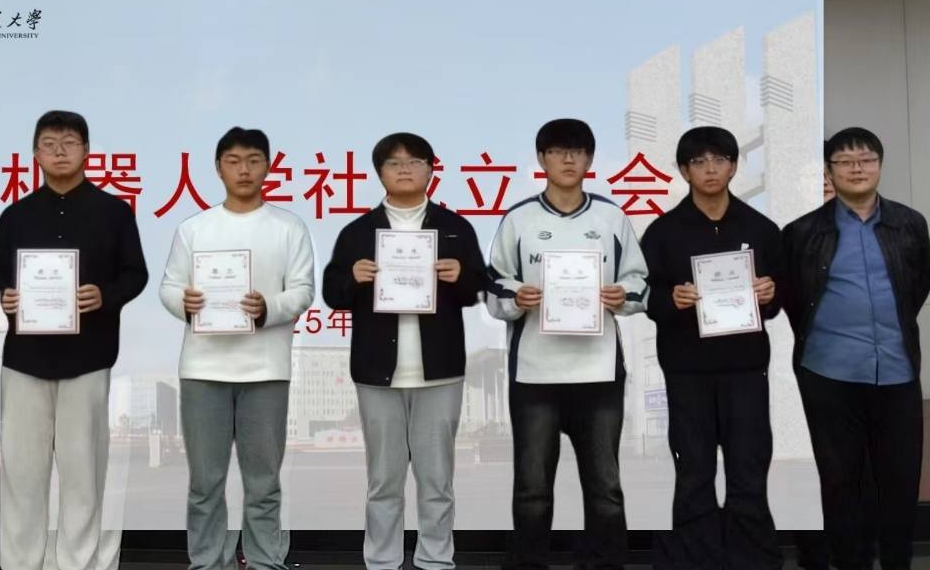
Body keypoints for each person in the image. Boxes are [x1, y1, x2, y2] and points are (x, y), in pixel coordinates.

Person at [484, 119, 648, 570]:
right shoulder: (519, 219)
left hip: (598, 372)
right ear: (542, 159)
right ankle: (528, 564)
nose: (568, 159)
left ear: (590, 159)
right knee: (532, 488)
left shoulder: (610, 217)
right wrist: (516, 298)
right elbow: (494, 282)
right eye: (557, 151)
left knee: (605, 487)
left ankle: (604, 564)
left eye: (578, 151)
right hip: (534, 374)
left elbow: (640, 280)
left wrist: (622, 296)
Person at [0, 110, 149, 570]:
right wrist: (6, 295)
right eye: (50, 143)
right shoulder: (16, 215)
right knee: (21, 473)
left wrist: (105, 295)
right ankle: (21, 564)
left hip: (88, 358)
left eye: (70, 142)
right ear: (35, 153)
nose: (60, 151)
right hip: (25, 361)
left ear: (87, 151)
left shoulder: (114, 212)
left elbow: (135, 274)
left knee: (83, 473)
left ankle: (79, 564)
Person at [322, 132, 488, 570]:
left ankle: (436, 560)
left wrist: (461, 275)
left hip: (440, 373)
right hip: (377, 373)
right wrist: (354, 278)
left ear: (431, 170)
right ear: (380, 173)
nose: (405, 170)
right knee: (383, 481)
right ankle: (382, 562)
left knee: (437, 480)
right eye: (394, 163)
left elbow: (480, 287)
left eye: (415, 162)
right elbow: (332, 293)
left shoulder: (455, 228)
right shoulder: (358, 232)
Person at [159, 127, 315, 570]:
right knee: (204, 483)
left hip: (265, 371)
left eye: (253, 160)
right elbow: (170, 287)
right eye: (233, 160)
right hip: (203, 370)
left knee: (263, 482)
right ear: (218, 168)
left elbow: (303, 290)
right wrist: (184, 303)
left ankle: (265, 562)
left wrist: (269, 308)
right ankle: (207, 562)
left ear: (268, 165)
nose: (243, 169)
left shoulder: (289, 227)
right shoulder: (194, 228)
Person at [783, 127, 930, 570]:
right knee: (840, 483)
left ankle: (897, 562)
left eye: (866, 159)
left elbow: (918, 285)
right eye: (844, 162)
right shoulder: (802, 232)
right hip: (828, 374)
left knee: (900, 482)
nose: (856, 168)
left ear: (879, 165)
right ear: (829, 171)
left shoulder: (910, 223)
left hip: (898, 371)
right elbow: (794, 299)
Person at [639, 127, 783, 570]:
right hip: (687, 372)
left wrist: (770, 294)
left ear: (734, 166)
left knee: (749, 469)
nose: (710, 169)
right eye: (699, 162)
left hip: (745, 370)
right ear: (684, 171)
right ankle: (695, 559)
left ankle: (752, 560)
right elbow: (645, 297)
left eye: (719, 160)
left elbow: (779, 298)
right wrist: (671, 299)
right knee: (694, 472)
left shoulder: (761, 228)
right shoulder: (662, 232)